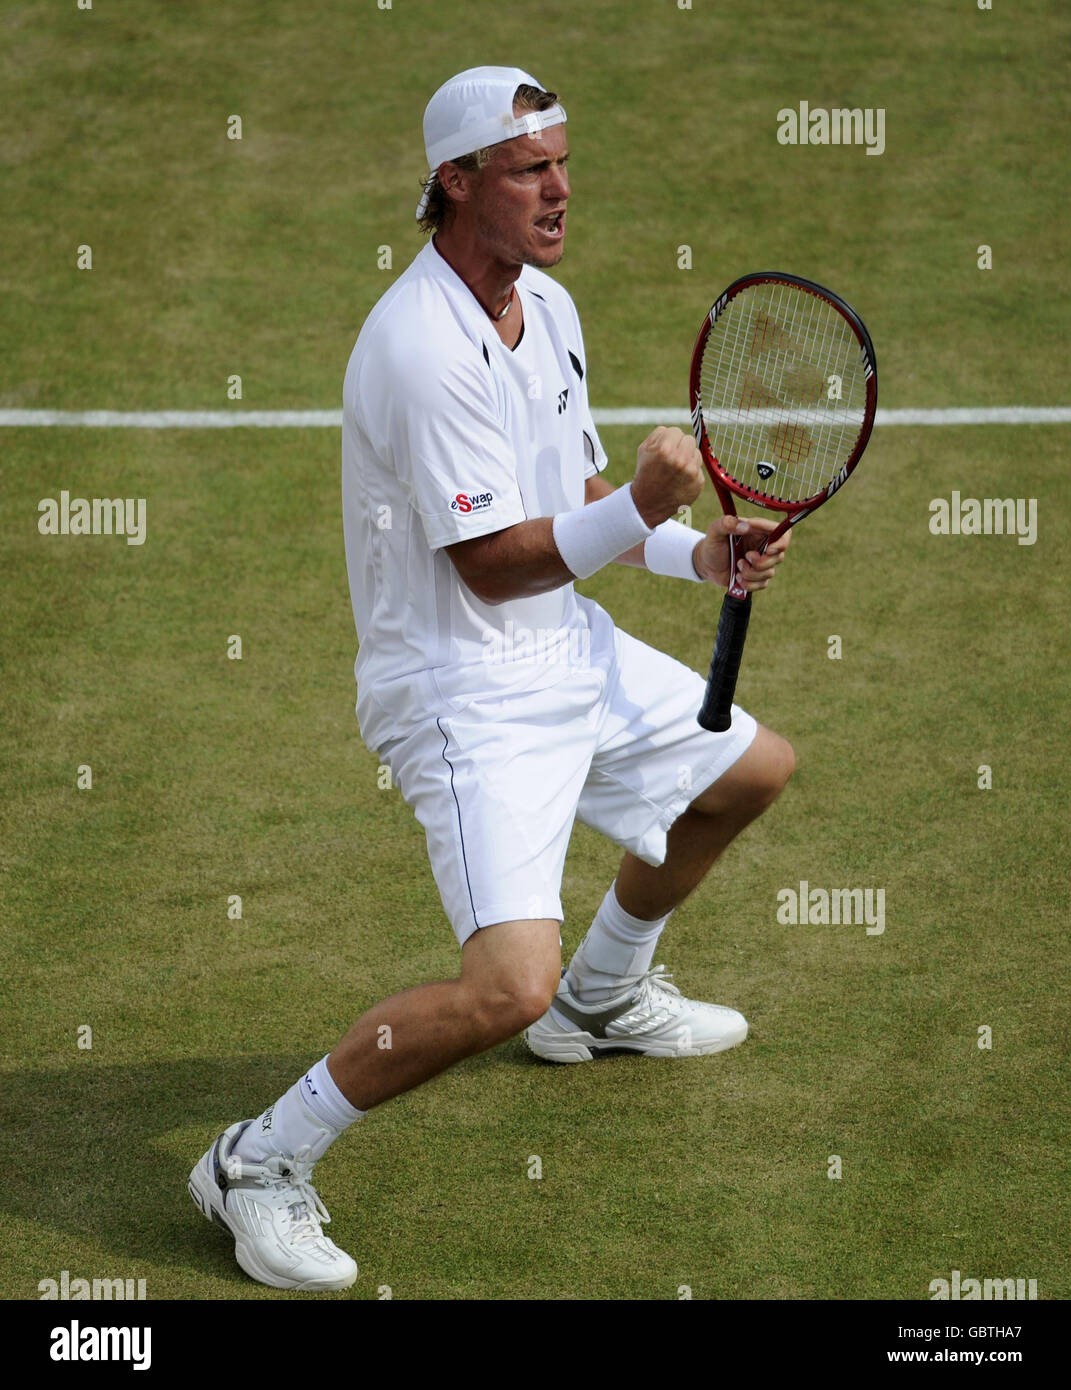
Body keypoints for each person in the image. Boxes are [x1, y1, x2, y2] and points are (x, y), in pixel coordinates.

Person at [189, 65, 794, 1293]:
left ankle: (606, 997)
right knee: (501, 987)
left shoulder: (548, 309)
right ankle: (256, 1160)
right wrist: (642, 503)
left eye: (564, 163)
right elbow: (488, 567)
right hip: (461, 691)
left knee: (746, 771)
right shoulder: (417, 346)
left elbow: (564, 509)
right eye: (530, 170)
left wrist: (691, 549)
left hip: (559, 642)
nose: (561, 190)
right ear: (456, 182)